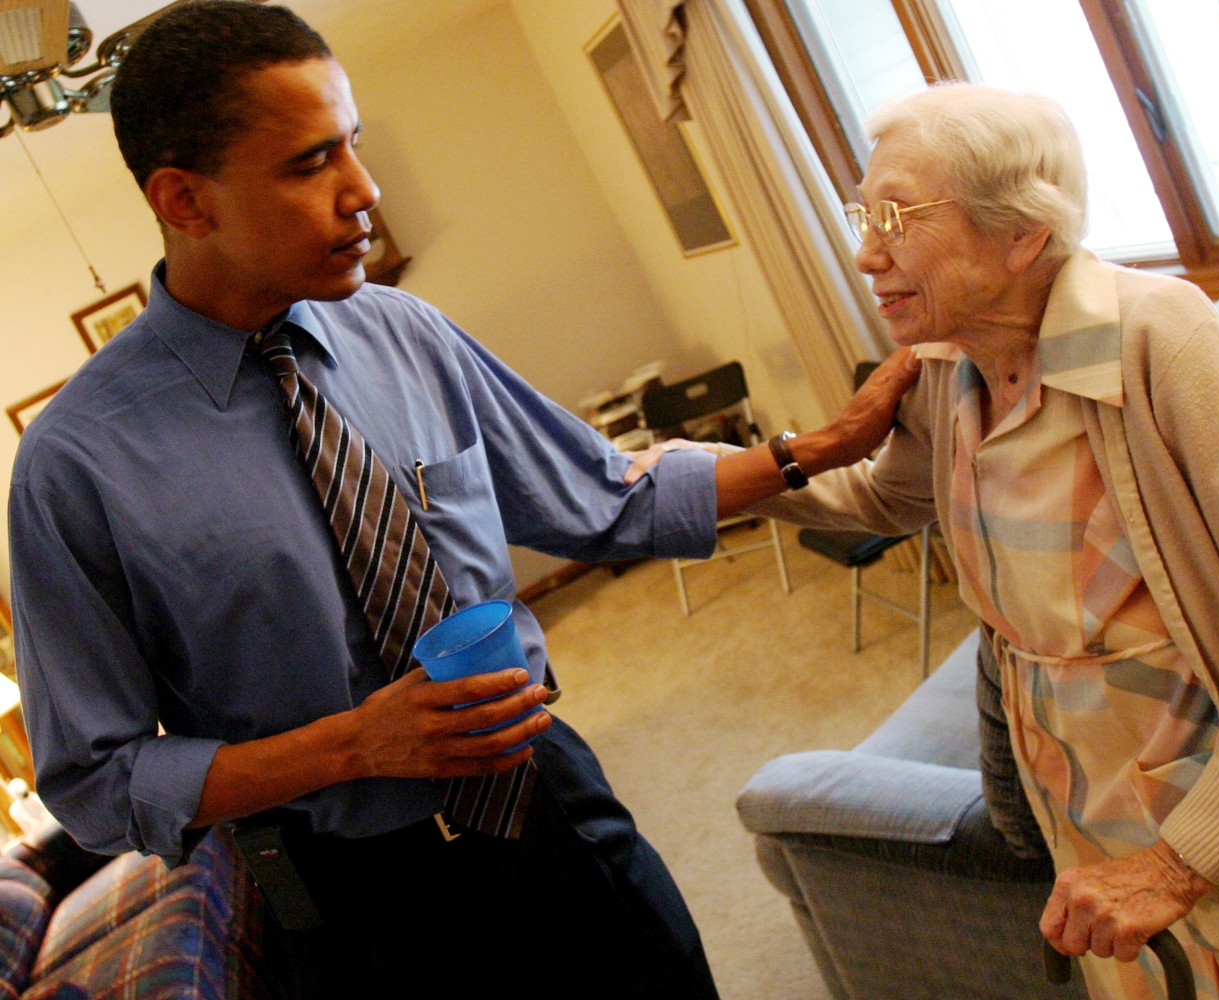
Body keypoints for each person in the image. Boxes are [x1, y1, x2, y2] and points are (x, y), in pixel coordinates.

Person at [5, 3, 914, 997]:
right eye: (312, 165)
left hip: (550, 800)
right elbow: (99, 784)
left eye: (351, 144)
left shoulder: (403, 331)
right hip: (360, 900)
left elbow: (599, 494)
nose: (365, 191)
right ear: (186, 201)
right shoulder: (74, 467)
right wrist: (357, 740)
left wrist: (816, 447)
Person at [640, 81, 1219, 998]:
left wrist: (1177, 863)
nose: (864, 251)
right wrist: (735, 469)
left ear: (1021, 234)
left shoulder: (1157, 338)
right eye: (860, 212)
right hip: (1078, 809)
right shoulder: (944, 366)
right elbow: (884, 501)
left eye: (895, 216)